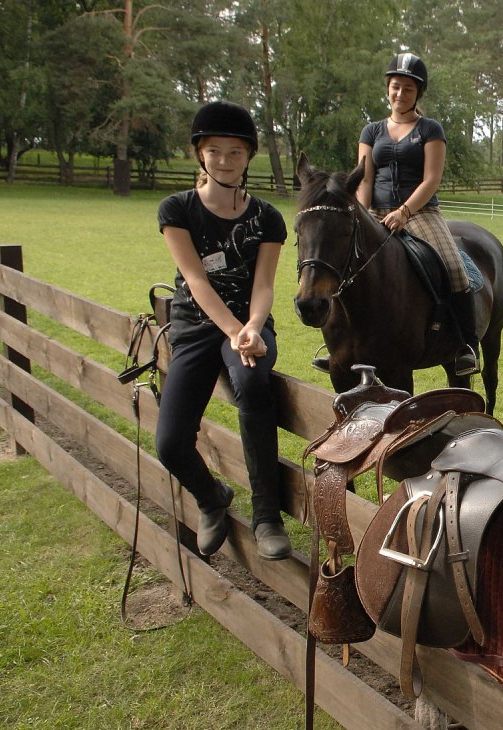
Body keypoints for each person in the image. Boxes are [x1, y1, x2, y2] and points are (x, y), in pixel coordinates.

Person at [155, 100, 291, 561]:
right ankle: (211, 499)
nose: (226, 161)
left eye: (236, 152)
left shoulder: (268, 218)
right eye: (215, 151)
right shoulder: (177, 210)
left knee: (253, 386)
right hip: (196, 326)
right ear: (200, 154)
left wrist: (252, 327)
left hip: (249, 325)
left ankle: (267, 516)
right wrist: (234, 330)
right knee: (170, 443)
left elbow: (265, 283)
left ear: (249, 156)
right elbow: (195, 279)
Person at [356, 51, 480, 376]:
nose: (400, 94)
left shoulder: (430, 129)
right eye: (396, 86)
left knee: (455, 268)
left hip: (421, 212)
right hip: (375, 211)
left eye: (408, 89)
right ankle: (344, 343)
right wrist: (361, 213)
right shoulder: (371, 132)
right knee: (346, 265)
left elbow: (431, 179)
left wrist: (405, 211)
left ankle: (467, 347)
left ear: (417, 93)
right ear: (388, 88)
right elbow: (365, 177)